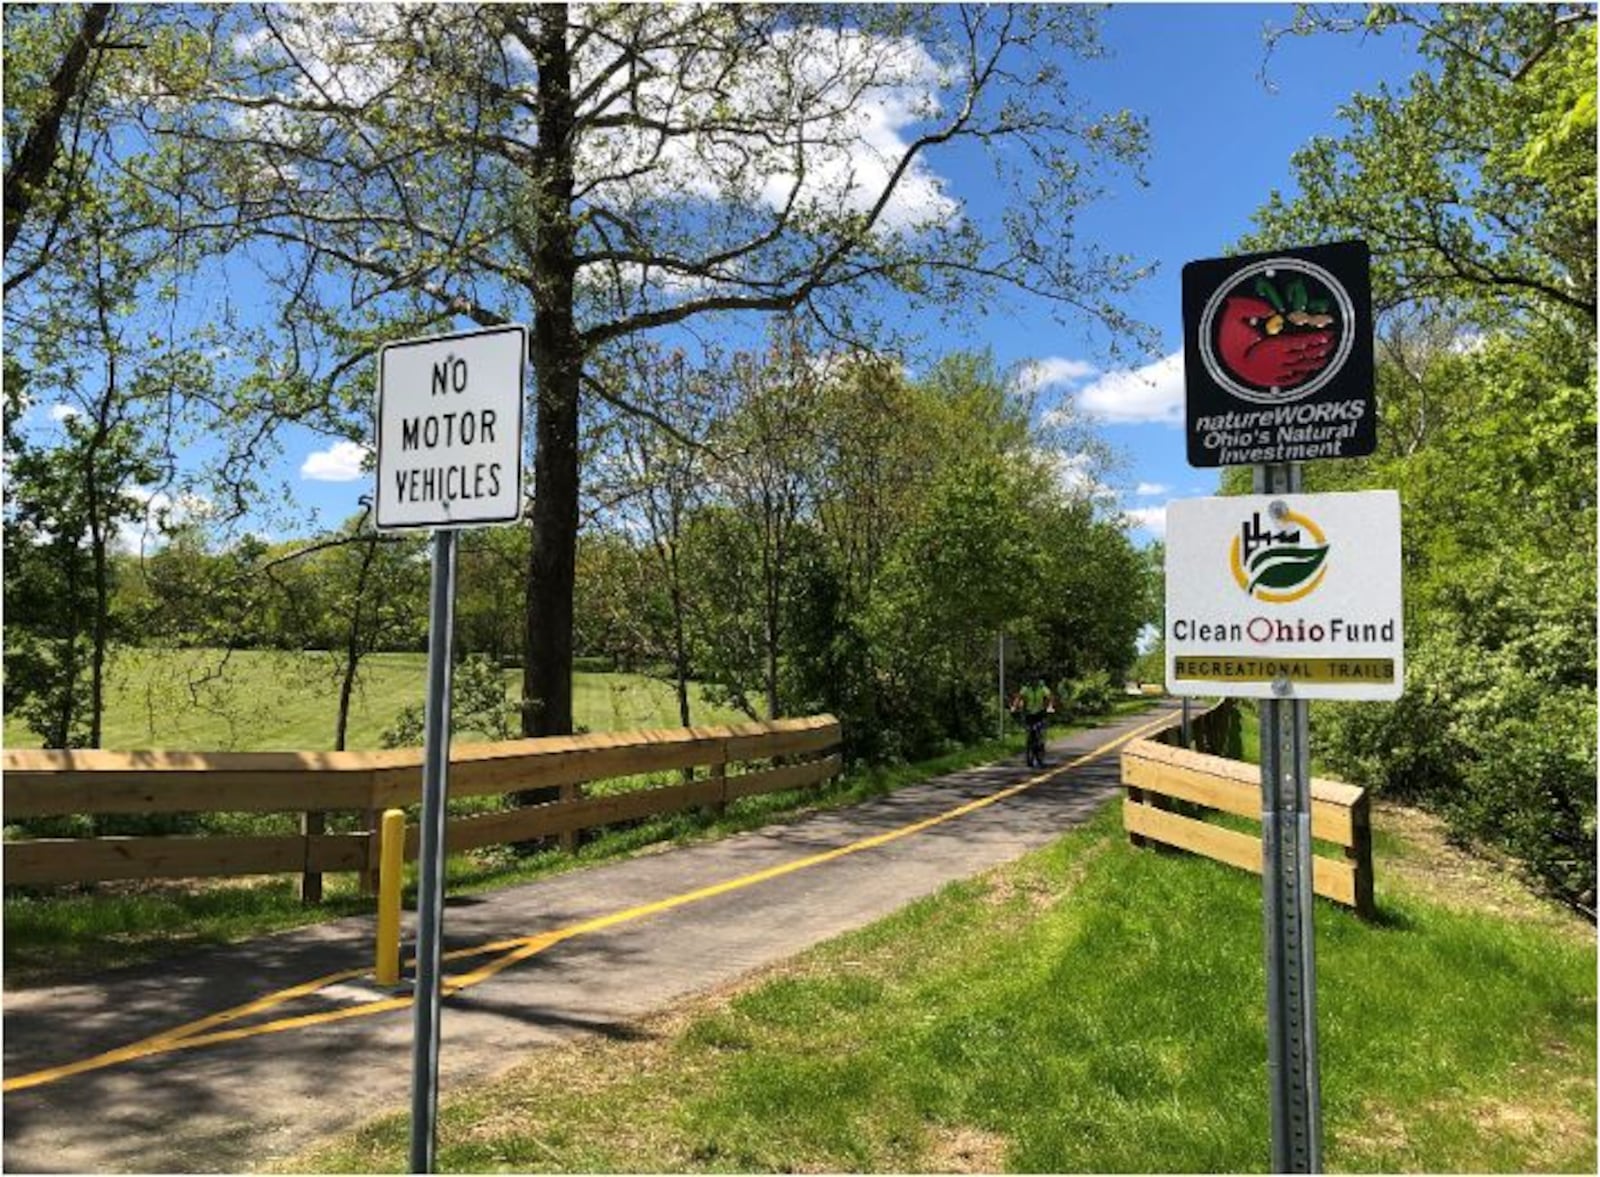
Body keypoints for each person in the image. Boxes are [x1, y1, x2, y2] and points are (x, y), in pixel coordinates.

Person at [1010, 675, 1055, 768]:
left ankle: (1040, 750)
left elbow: (1050, 696)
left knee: (1040, 732)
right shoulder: (1026, 688)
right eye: (1031, 681)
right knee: (1029, 732)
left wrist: (1050, 707)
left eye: (1035, 680)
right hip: (1029, 713)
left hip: (1040, 713)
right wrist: (1014, 707)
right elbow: (1019, 697)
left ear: (1037, 681)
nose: (1033, 682)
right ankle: (1029, 752)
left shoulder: (1042, 688)